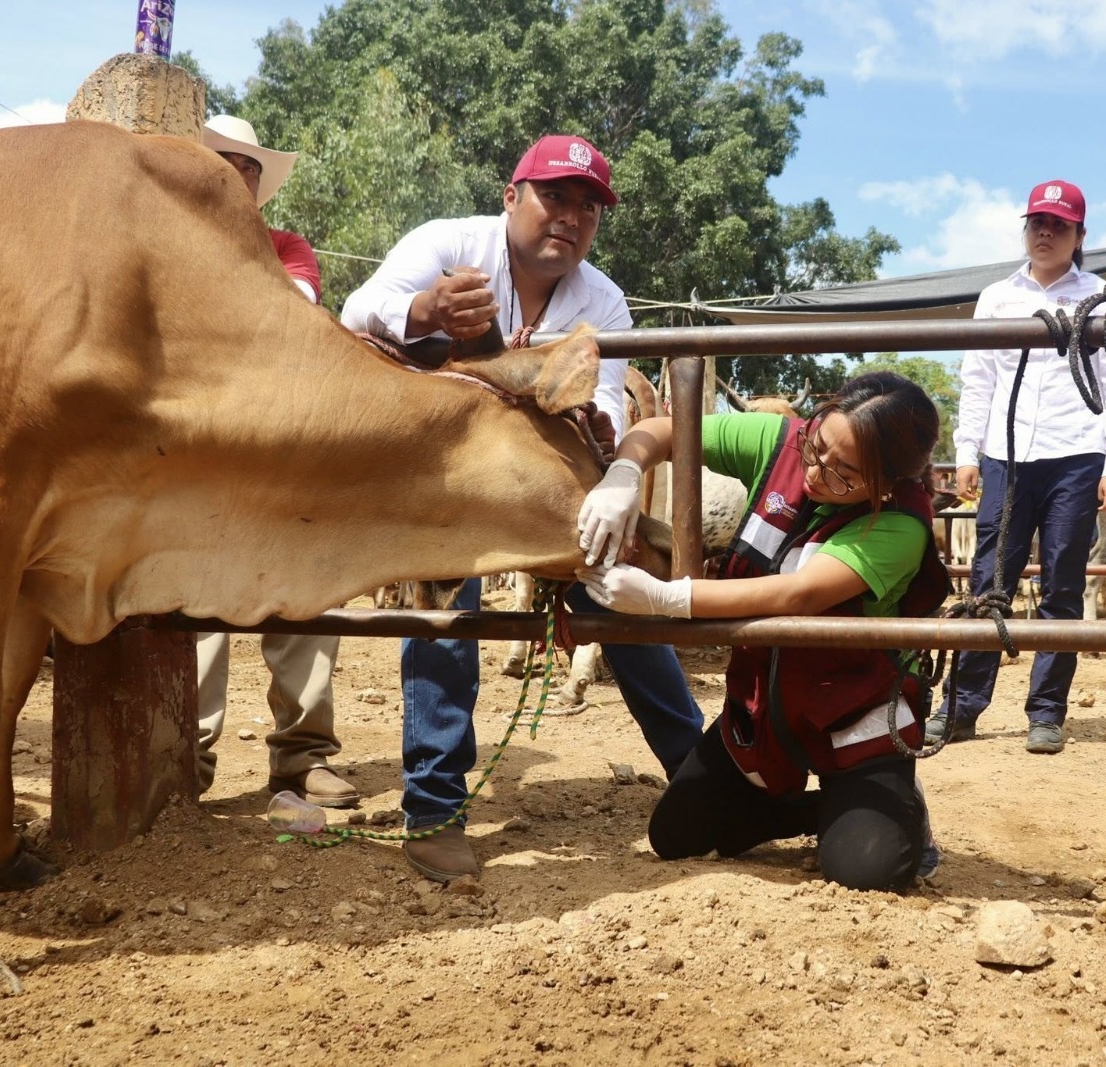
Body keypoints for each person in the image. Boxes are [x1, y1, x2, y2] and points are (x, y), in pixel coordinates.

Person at [340, 134, 704, 882]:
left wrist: (603, 437)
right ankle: (434, 808)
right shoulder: (450, 244)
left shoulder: (603, 298)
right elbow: (357, 310)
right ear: (512, 197)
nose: (570, 217)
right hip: (443, 470)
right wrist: (424, 308)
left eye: (588, 208)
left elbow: (608, 402)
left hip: (538, 474)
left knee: (619, 586)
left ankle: (702, 779)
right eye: (555, 196)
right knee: (446, 609)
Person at [577, 372, 951, 892]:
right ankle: (820, 812)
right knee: (675, 834)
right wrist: (623, 473)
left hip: (855, 720)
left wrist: (665, 598)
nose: (815, 472)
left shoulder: (901, 524)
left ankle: (893, 810)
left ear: (888, 482)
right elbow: (663, 432)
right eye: (817, 447)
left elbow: (798, 595)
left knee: (868, 872)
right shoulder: (782, 441)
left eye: (844, 473)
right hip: (763, 711)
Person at [928, 180, 1106, 754]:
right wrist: (967, 451)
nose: (1045, 233)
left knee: (1062, 584)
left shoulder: (1103, 299)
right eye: (1037, 223)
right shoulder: (997, 297)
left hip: (1076, 454)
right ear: (1026, 229)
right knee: (988, 581)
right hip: (1006, 455)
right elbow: (978, 378)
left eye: (1059, 225)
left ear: (1079, 236)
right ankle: (960, 707)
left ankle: (1047, 712)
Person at [195, 115, 356, 809]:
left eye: (249, 168)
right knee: (191, 597)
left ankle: (301, 755)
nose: (237, 177)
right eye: (223, 162)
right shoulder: (168, 241)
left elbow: (290, 313)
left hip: (284, 446)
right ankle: (184, 756)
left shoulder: (288, 248)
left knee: (305, 588)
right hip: (195, 451)